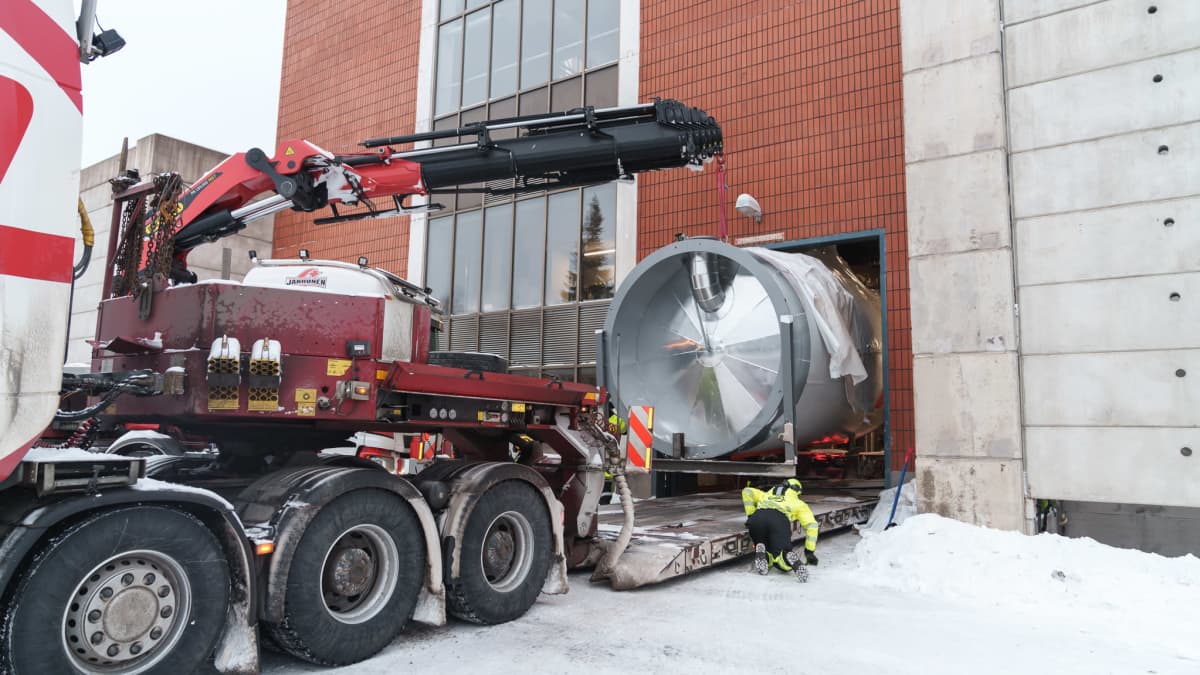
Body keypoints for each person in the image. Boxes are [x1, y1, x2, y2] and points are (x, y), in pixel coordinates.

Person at [742, 478, 819, 580]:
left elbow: (747, 491)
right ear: (796, 490)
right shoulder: (799, 503)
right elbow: (812, 526)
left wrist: (751, 514)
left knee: (764, 545)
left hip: (757, 518)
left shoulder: (767, 494)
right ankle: (786, 555)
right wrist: (809, 551)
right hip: (779, 520)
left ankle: (762, 551)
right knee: (781, 558)